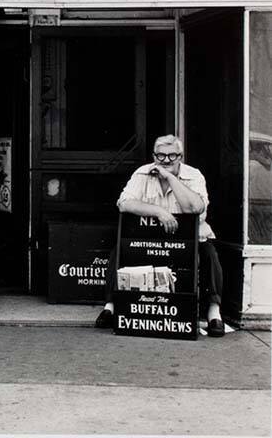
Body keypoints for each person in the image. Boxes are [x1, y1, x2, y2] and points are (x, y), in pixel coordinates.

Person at [95, 134, 225, 338]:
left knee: (209, 254)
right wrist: (159, 212)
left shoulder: (194, 175)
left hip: (189, 241)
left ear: (180, 156)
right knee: (118, 250)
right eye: (161, 155)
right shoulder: (142, 174)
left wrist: (171, 178)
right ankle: (111, 306)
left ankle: (213, 313)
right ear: (154, 155)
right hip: (150, 239)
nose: (166, 160)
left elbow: (196, 207)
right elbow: (124, 203)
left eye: (172, 156)